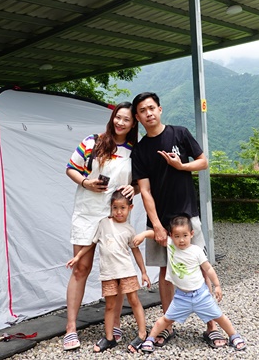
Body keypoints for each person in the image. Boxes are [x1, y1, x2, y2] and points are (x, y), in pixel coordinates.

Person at [130, 91, 226, 349]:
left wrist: (181, 166)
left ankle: (211, 326)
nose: (148, 113)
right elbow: (145, 191)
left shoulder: (180, 133)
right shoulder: (139, 151)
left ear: (160, 109)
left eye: (151, 108)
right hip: (159, 221)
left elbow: (203, 162)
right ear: (138, 117)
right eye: (142, 110)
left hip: (188, 215)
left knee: (199, 265)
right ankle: (167, 325)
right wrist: (157, 226)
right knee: (164, 270)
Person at [63, 102, 138, 351]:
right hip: (86, 213)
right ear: (112, 118)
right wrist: (86, 182)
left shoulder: (135, 150)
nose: (120, 122)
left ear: (133, 123)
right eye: (118, 117)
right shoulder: (93, 141)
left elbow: (140, 182)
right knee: (81, 268)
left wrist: (134, 189)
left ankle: (114, 322)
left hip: (114, 216)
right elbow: (70, 168)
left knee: (115, 271)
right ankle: (71, 328)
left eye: (126, 119)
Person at [132, 215, 246, 352]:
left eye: (185, 235)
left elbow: (208, 268)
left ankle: (234, 336)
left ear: (191, 234)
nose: (181, 240)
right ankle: (150, 339)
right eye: (177, 236)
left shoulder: (196, 251)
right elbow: (154, 234)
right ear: (171, 236)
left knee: (219, 317)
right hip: (181, 296)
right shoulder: (171, 245)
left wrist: (217, 286)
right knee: (165, 319)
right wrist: (143, 235)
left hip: (201, 295)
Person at [67, 190, 151, 353]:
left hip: (126, 272)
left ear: (130, 208)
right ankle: (109, 337)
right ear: (110, 208)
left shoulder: (129, 229)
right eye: (115, 208)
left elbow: (136, 251)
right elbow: (91, 244)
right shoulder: (103, 224)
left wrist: (143, 272)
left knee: (134, 301)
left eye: (122, 208)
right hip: (108, 274)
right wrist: (78, 257)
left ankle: (142, 334)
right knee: (110, 305)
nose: (119, 212)